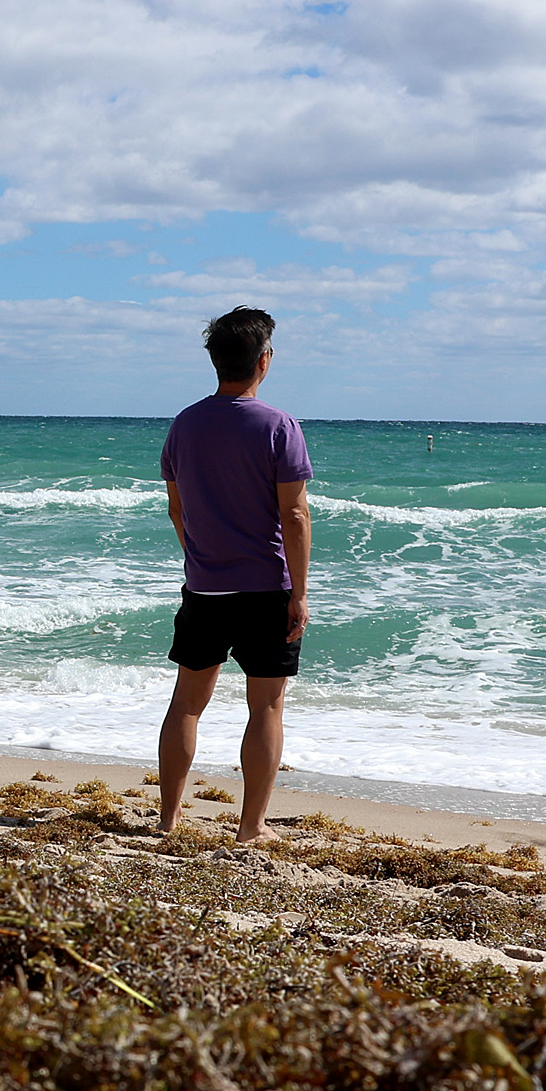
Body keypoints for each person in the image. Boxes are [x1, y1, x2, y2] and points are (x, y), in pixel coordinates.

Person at [156, 307, 311, 843]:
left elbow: (177, 509)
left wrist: (197, 556)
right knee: (265, 703)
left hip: (205, 586)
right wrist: (300, 594)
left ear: (215, 360)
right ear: (263, 360)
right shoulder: (278, 425)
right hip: (266, 585)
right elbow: (294, 516)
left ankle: (169, 820)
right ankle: (251, 828)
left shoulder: (185, 423)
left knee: (186, 702)